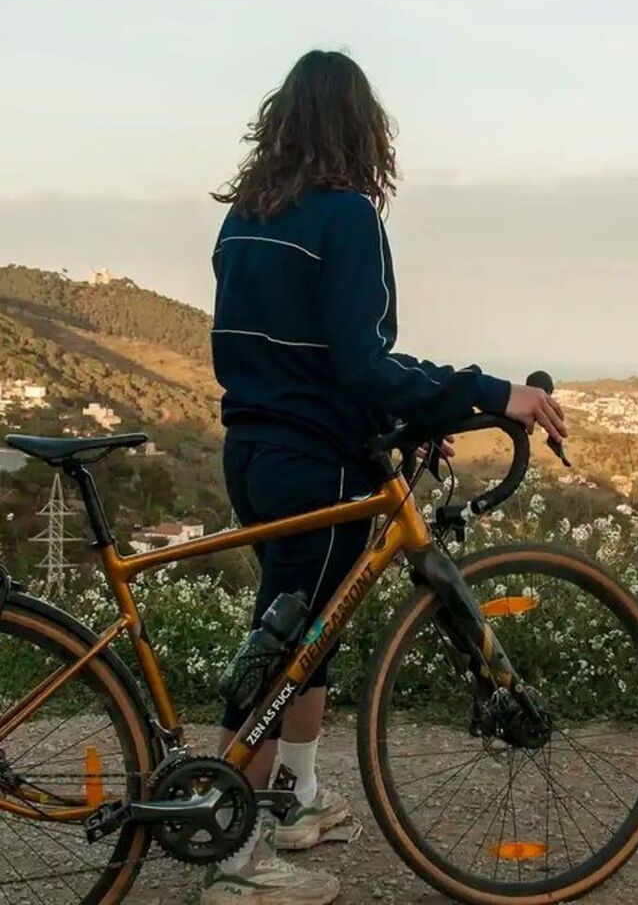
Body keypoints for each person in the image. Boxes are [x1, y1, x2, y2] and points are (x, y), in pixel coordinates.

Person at [202, 49, 568, 904]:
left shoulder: (244, 219)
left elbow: (301, 358)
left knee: (304, 629)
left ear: (281, 120)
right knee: (283, 646)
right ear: (363, 128)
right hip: (316, 464)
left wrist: (405, 421)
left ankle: (296, 800)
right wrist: (488, 394)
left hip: (252, 453)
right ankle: (233, 856)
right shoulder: (347, 216)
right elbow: (361, 362)